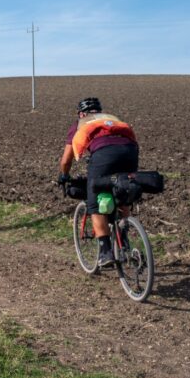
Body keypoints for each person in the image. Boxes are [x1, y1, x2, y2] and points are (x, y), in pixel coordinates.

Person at [57, 97, 139, 267]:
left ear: (81, 114)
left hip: (104, 154)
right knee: (122, 191)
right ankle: (124, 239)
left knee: (94, 201)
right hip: (130, 151)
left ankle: (105, 252)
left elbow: (66, 160)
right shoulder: (111, 119)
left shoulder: (80, 124)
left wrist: (64, 175)